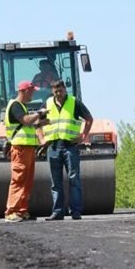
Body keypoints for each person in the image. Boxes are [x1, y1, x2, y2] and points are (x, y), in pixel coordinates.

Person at [42, 80, 93, 221]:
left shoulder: (74, 102)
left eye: (61, 90)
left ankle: (75, 211)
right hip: (53, 147)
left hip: (70, 146)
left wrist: (83, 136)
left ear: (65, 89)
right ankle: (58, 212)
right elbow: (38, 122)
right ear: (52, 91)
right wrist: (41, 138)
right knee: (55, 182)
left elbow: (89, 118)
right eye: (56, 91)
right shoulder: (47, 103)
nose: (59, 93)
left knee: (74, 179)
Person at [3, 80, 49, 222]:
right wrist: (39, 113)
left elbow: (28, 125)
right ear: (24, 91)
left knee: (27, 181)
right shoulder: (15, 105)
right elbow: (25, 121)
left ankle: (22, 211)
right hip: (20, 148)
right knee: (18, 180)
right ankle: (11, 211)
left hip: (27, 148)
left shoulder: (22, 106)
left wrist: (42, 123)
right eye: (32, 91)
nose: (34, 93)